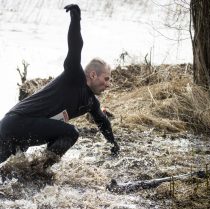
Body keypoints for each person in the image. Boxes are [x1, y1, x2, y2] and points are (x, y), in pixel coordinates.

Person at [0, 4, 120, 167]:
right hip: (17, 122)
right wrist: (76, 19)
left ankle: (36, 170)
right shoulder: (74, 76)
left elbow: (102, 121)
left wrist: (114, 145)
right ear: (93, 75)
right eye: (106, 79)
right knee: (70, 132)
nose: (108, 85)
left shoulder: (91, 102)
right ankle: (40, 171)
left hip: (17, 128)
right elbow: (75, 47)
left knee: (8, 170)